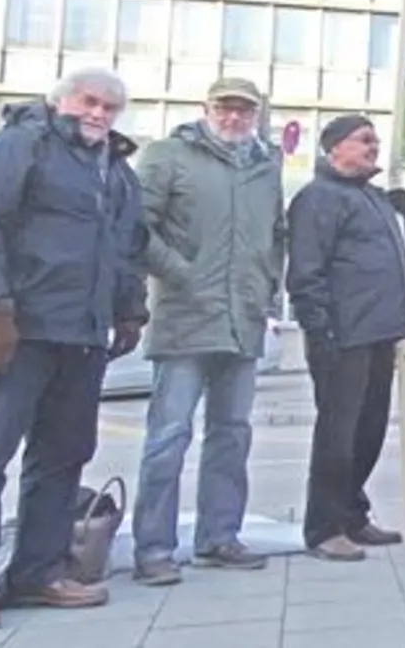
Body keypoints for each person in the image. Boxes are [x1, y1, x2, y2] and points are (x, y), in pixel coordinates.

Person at [0, 68, 149, 633]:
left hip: (82, 334)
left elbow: (126, 244)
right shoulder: (19, 146)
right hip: (19, 327)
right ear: (61, 99)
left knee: (64, 454)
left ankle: (37, 572)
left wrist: (129, 308)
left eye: (111, 108)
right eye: (90, 102)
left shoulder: (114, 169)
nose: (99, 114)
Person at [131, 78, 285, 585]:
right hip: (184, 318)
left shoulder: (265, 167)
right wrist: (182, 273)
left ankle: (219, 536)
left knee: (232, 436)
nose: (235, 117)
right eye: (225, 107)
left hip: (243, 320)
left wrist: (268, 286)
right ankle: (153, 548)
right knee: (169, 436)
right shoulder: (167, 155)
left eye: (245, 109)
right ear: (206, 108)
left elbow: (275, 235)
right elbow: (136, 227)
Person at [286, 115, 405, 561]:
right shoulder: (319, 198)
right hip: (342, 335)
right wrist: (317, 327)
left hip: (379, 332)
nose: (373, 147)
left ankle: (352, 513)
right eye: (363, 140)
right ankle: (324, 527)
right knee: (337, 436)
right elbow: (306, 270)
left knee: (369, 431)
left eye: (375, 140)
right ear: (334, 148)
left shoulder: (373, 199)